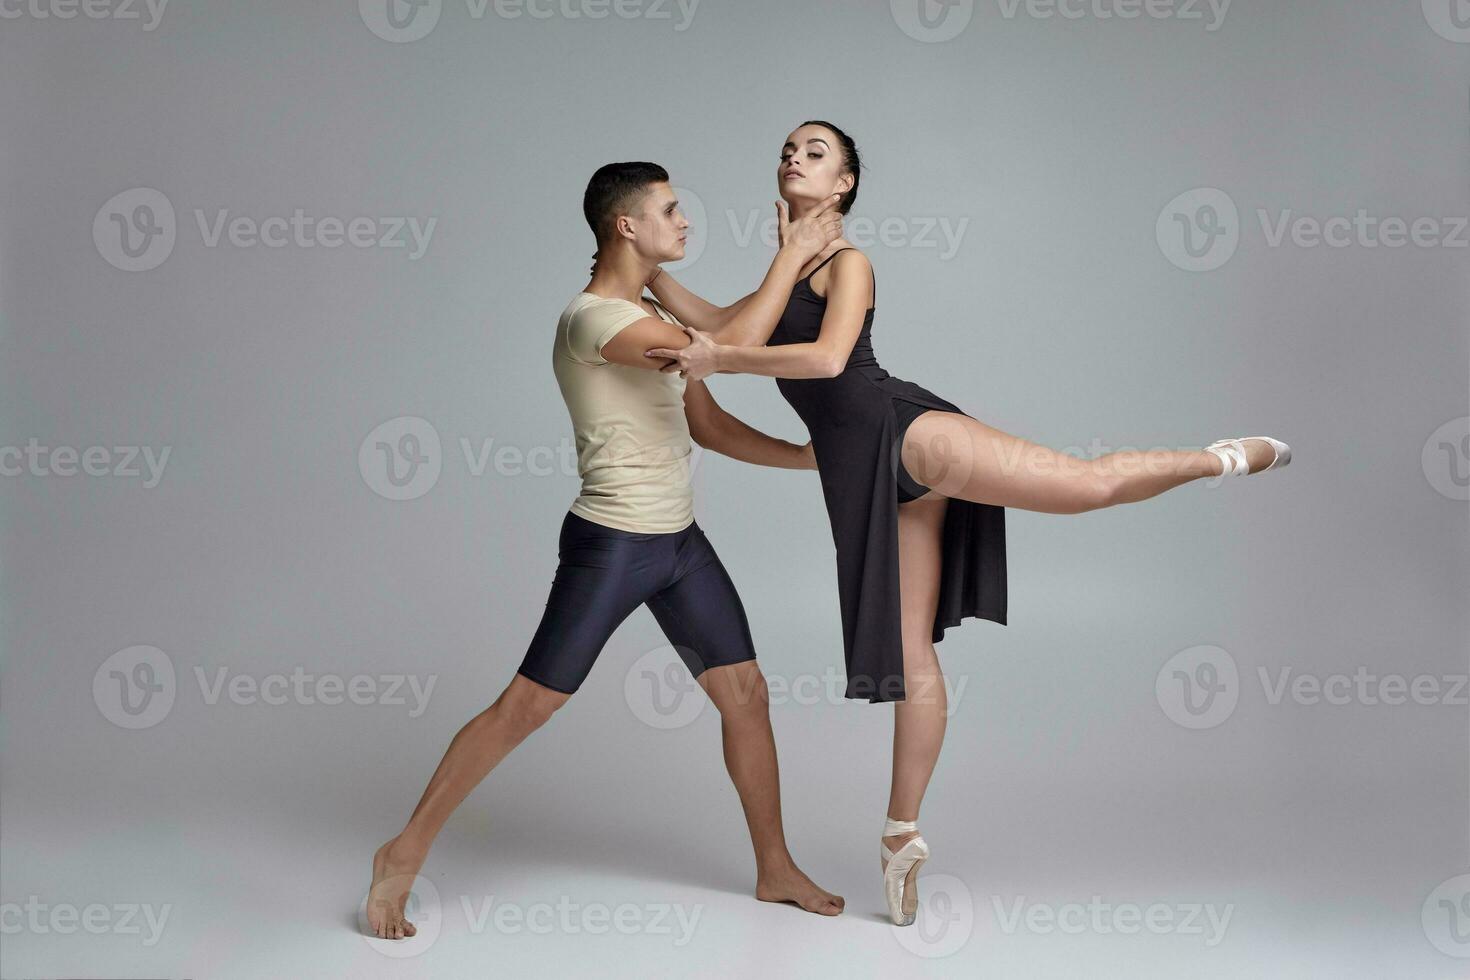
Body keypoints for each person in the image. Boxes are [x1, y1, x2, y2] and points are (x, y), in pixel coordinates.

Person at [643, 120, 1293, 927]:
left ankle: (1217, 457)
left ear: (843, 185)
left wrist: (716, 358)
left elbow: (826, 360)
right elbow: (722, 326)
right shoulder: (784, 272)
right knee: (909, 648)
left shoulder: (849, 262)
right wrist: (643, 273)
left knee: (1084, 486)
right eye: (786, 149)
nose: (793, 158)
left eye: (815, 152)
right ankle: (900, 833)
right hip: (860, 471)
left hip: (910, 433)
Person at [364, 161, 848, 939]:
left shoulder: (650, 309)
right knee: (527, 707)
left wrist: (813, 458)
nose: (685, 221)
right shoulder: (595, 321)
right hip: (614, 547)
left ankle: (774, 867)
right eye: (671, 209)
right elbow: (725, 345)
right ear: (627, 226)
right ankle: (402, 852)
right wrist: (790, 256)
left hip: (680, 547)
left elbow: (712, 427)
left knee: (746, 697)